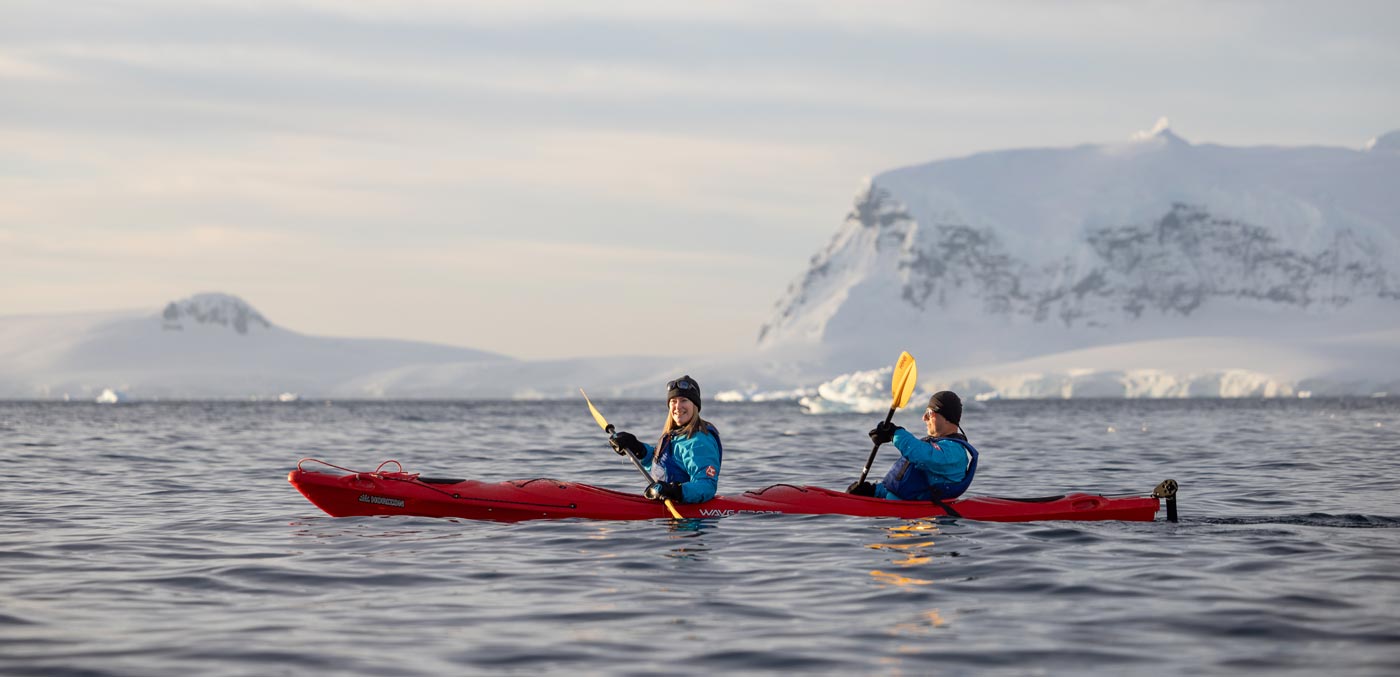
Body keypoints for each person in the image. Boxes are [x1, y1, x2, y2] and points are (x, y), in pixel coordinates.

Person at [846, 391, 978, 502]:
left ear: (947, 418)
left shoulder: (954, 451)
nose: (924, 417)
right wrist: (873, 491)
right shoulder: (936, 446)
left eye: (929, 412)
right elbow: (902, 484)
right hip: (897, 513)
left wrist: (894, 433)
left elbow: (924, 455)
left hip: (926, 524)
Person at [609, 375, 722, 504]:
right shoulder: (674, 435)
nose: (678, 407)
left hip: (689, 518)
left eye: (684, 400)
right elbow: (663, 466)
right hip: (667, 509)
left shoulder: (699, 441)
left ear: (695, 405)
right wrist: (637, 449)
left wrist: (675, 491)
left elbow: (706, 486)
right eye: (673, 401)